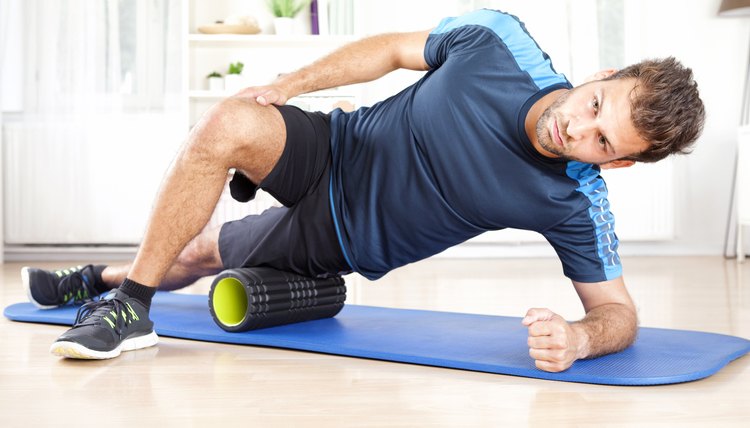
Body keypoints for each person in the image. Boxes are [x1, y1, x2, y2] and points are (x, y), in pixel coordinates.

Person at [23, 9, 704, 371]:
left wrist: (582, 340)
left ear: (617, 165)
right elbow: (389, 49)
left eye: (603, 142)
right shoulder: (502, 44)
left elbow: (619, 312)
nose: (576, 129)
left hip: (343, 235)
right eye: (594, 105)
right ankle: (129, 309)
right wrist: (289, 87)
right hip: (334, 146)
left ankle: (96, 279)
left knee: (206, 254)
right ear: (603, 74)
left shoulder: (576, 199)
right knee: (229, 121)